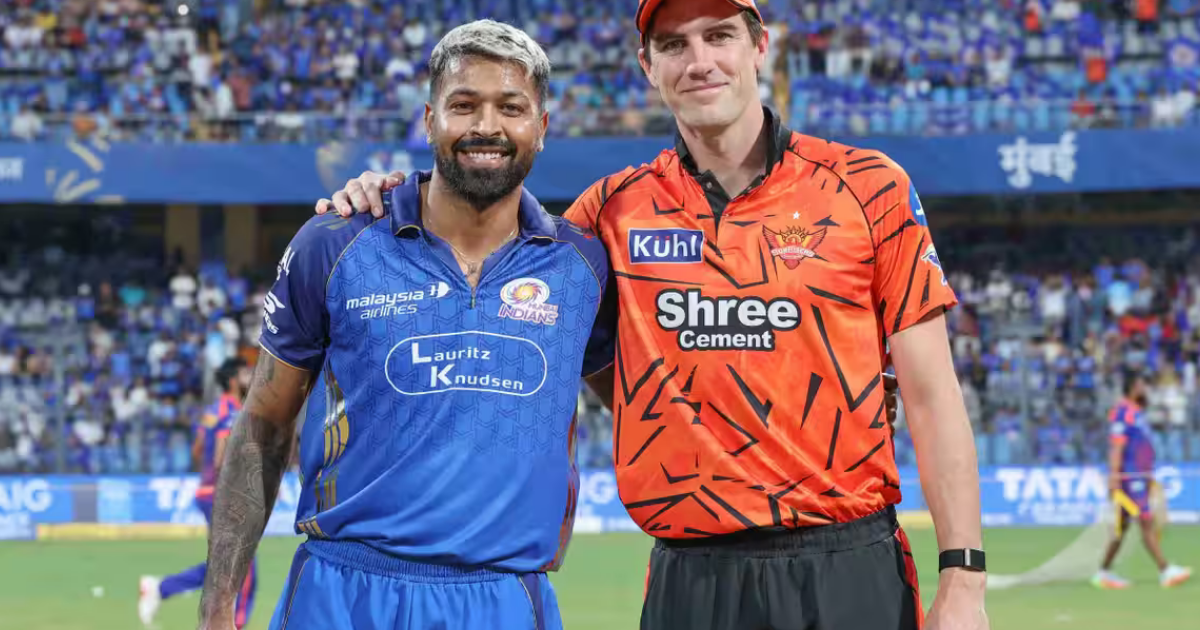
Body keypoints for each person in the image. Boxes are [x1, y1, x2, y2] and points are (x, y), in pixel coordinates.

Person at [316, 1, 987, 628]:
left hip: (849, 564)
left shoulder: (869, 187)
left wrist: (963, 576)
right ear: (648, 66)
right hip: (690, 576)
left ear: (761, 47)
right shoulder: (610, 213)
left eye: (719, 36)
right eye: (673, 45)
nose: (700, 61)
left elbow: (932, 394)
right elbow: (484, 244)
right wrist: (390, 195)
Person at [197, 20, 613, 630]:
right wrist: (216, 609)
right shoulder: (335, 242)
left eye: (511, 108)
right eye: (463, 105)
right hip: (342, 595)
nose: (487, 126)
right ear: (429, 120)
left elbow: (642, 407)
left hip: (503, 600)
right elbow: (263, 422)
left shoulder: (583, 267)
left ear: (542, 126)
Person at [138, 358, 257, 629]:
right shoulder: (233, 410)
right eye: (245, 373)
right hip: (223, 493)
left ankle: (161, 588)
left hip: (207, 491)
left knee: (227, 566)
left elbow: (197, 449)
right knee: (244, 570)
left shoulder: (213, 410)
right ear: (232, 380)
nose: (251, 378)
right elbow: (221, 455)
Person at [1092, 372, 1192, 589]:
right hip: (1129, 477)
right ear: (1132, 388)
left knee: (1122, 527)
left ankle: (1103, 572)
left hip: (1139, 475)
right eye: (1141, 385)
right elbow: (1117, 446)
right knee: (1145, 521)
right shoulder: (1122, 412)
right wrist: (1114, 476)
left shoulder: (1137, 412)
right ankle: (1165, 570)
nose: (1144, 388)